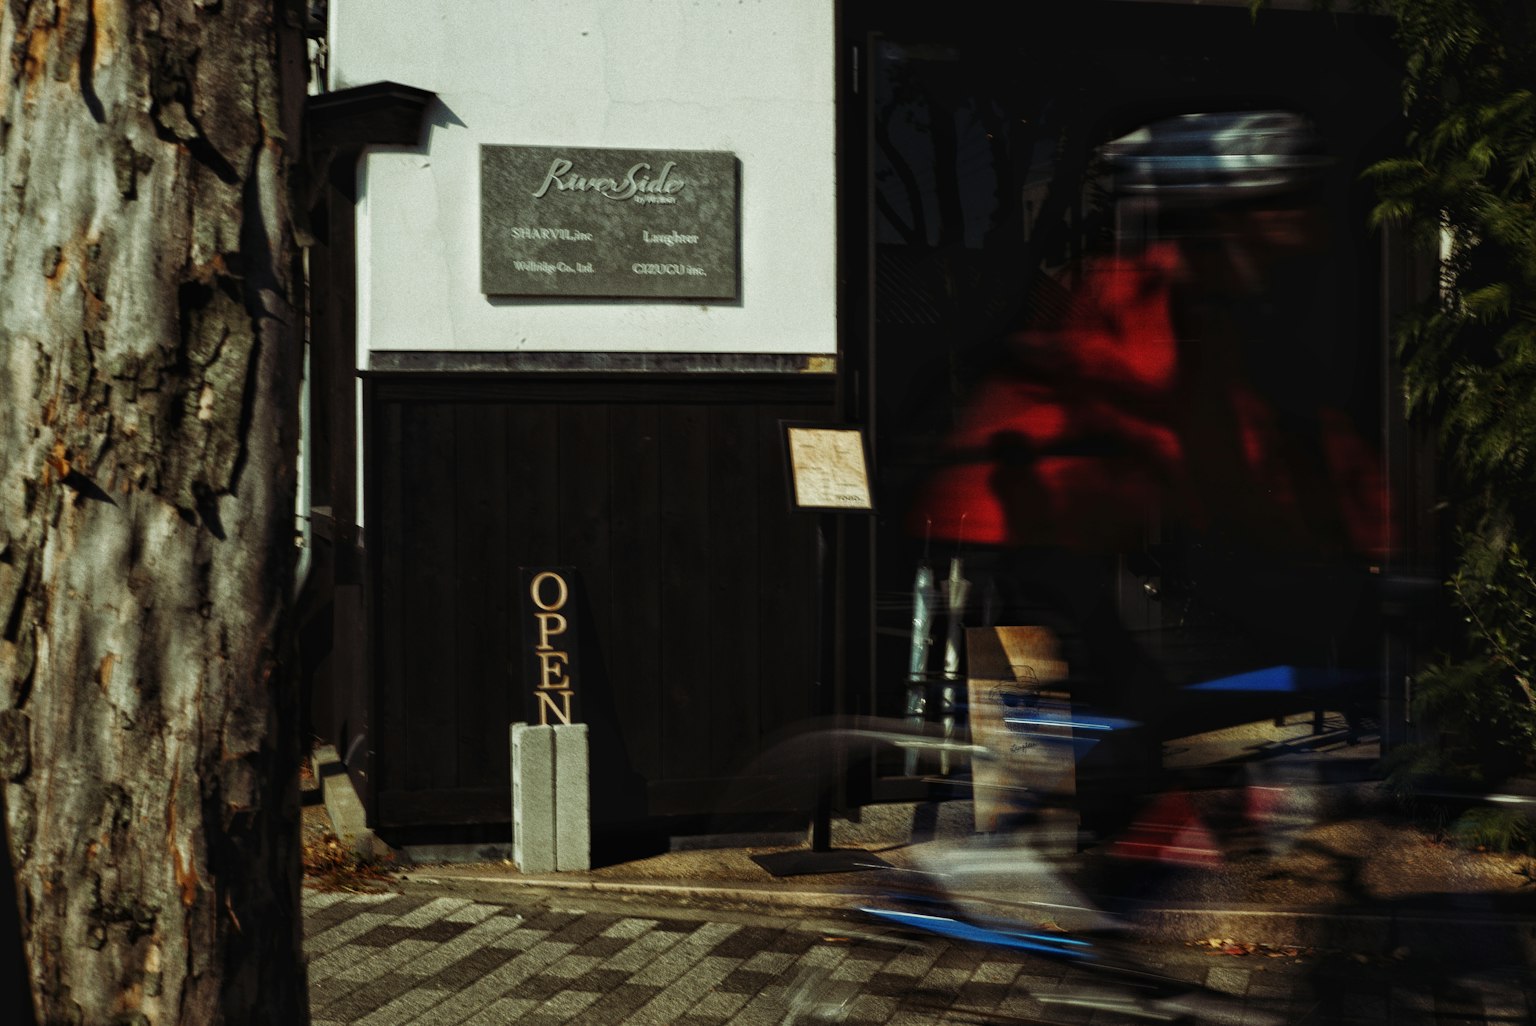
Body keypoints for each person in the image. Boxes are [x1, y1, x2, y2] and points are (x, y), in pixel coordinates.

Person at [907, 110, 1394, 839]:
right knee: (1130, 708)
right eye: (1280, 207)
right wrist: (1338, 537)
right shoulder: (1151, 297)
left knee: (1138, 709)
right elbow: (1207, 438)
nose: (1301, 229)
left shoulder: (1204, 304)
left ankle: (1086, 863)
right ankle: (1003, 861)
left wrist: (1364, 530)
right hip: (1029, 516)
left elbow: (1254, 439)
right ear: (1229, 216)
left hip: (1069, 520)